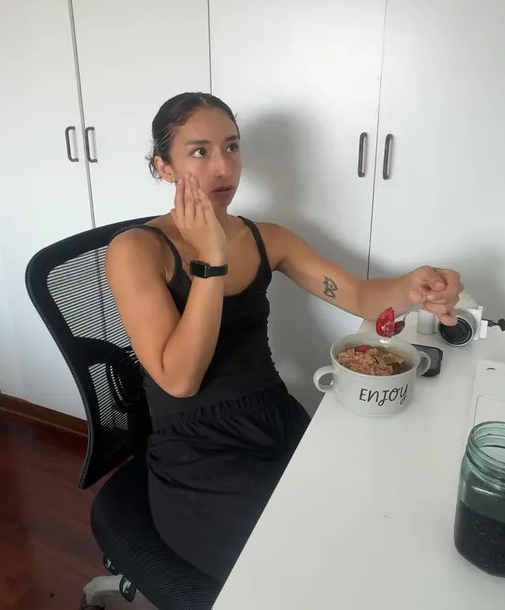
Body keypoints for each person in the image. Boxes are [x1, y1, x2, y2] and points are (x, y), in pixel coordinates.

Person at [106, 92, 464, 582]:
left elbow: (359, 295)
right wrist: (210, 261)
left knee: (374, 528)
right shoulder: (135, 250)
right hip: (198, 455)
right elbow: (180, 380)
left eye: (232, 147)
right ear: (163, 167)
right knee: (304, 572)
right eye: (199, 151)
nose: (222, 167)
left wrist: (416, 287)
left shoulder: (265, 238)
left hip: (275, 419)